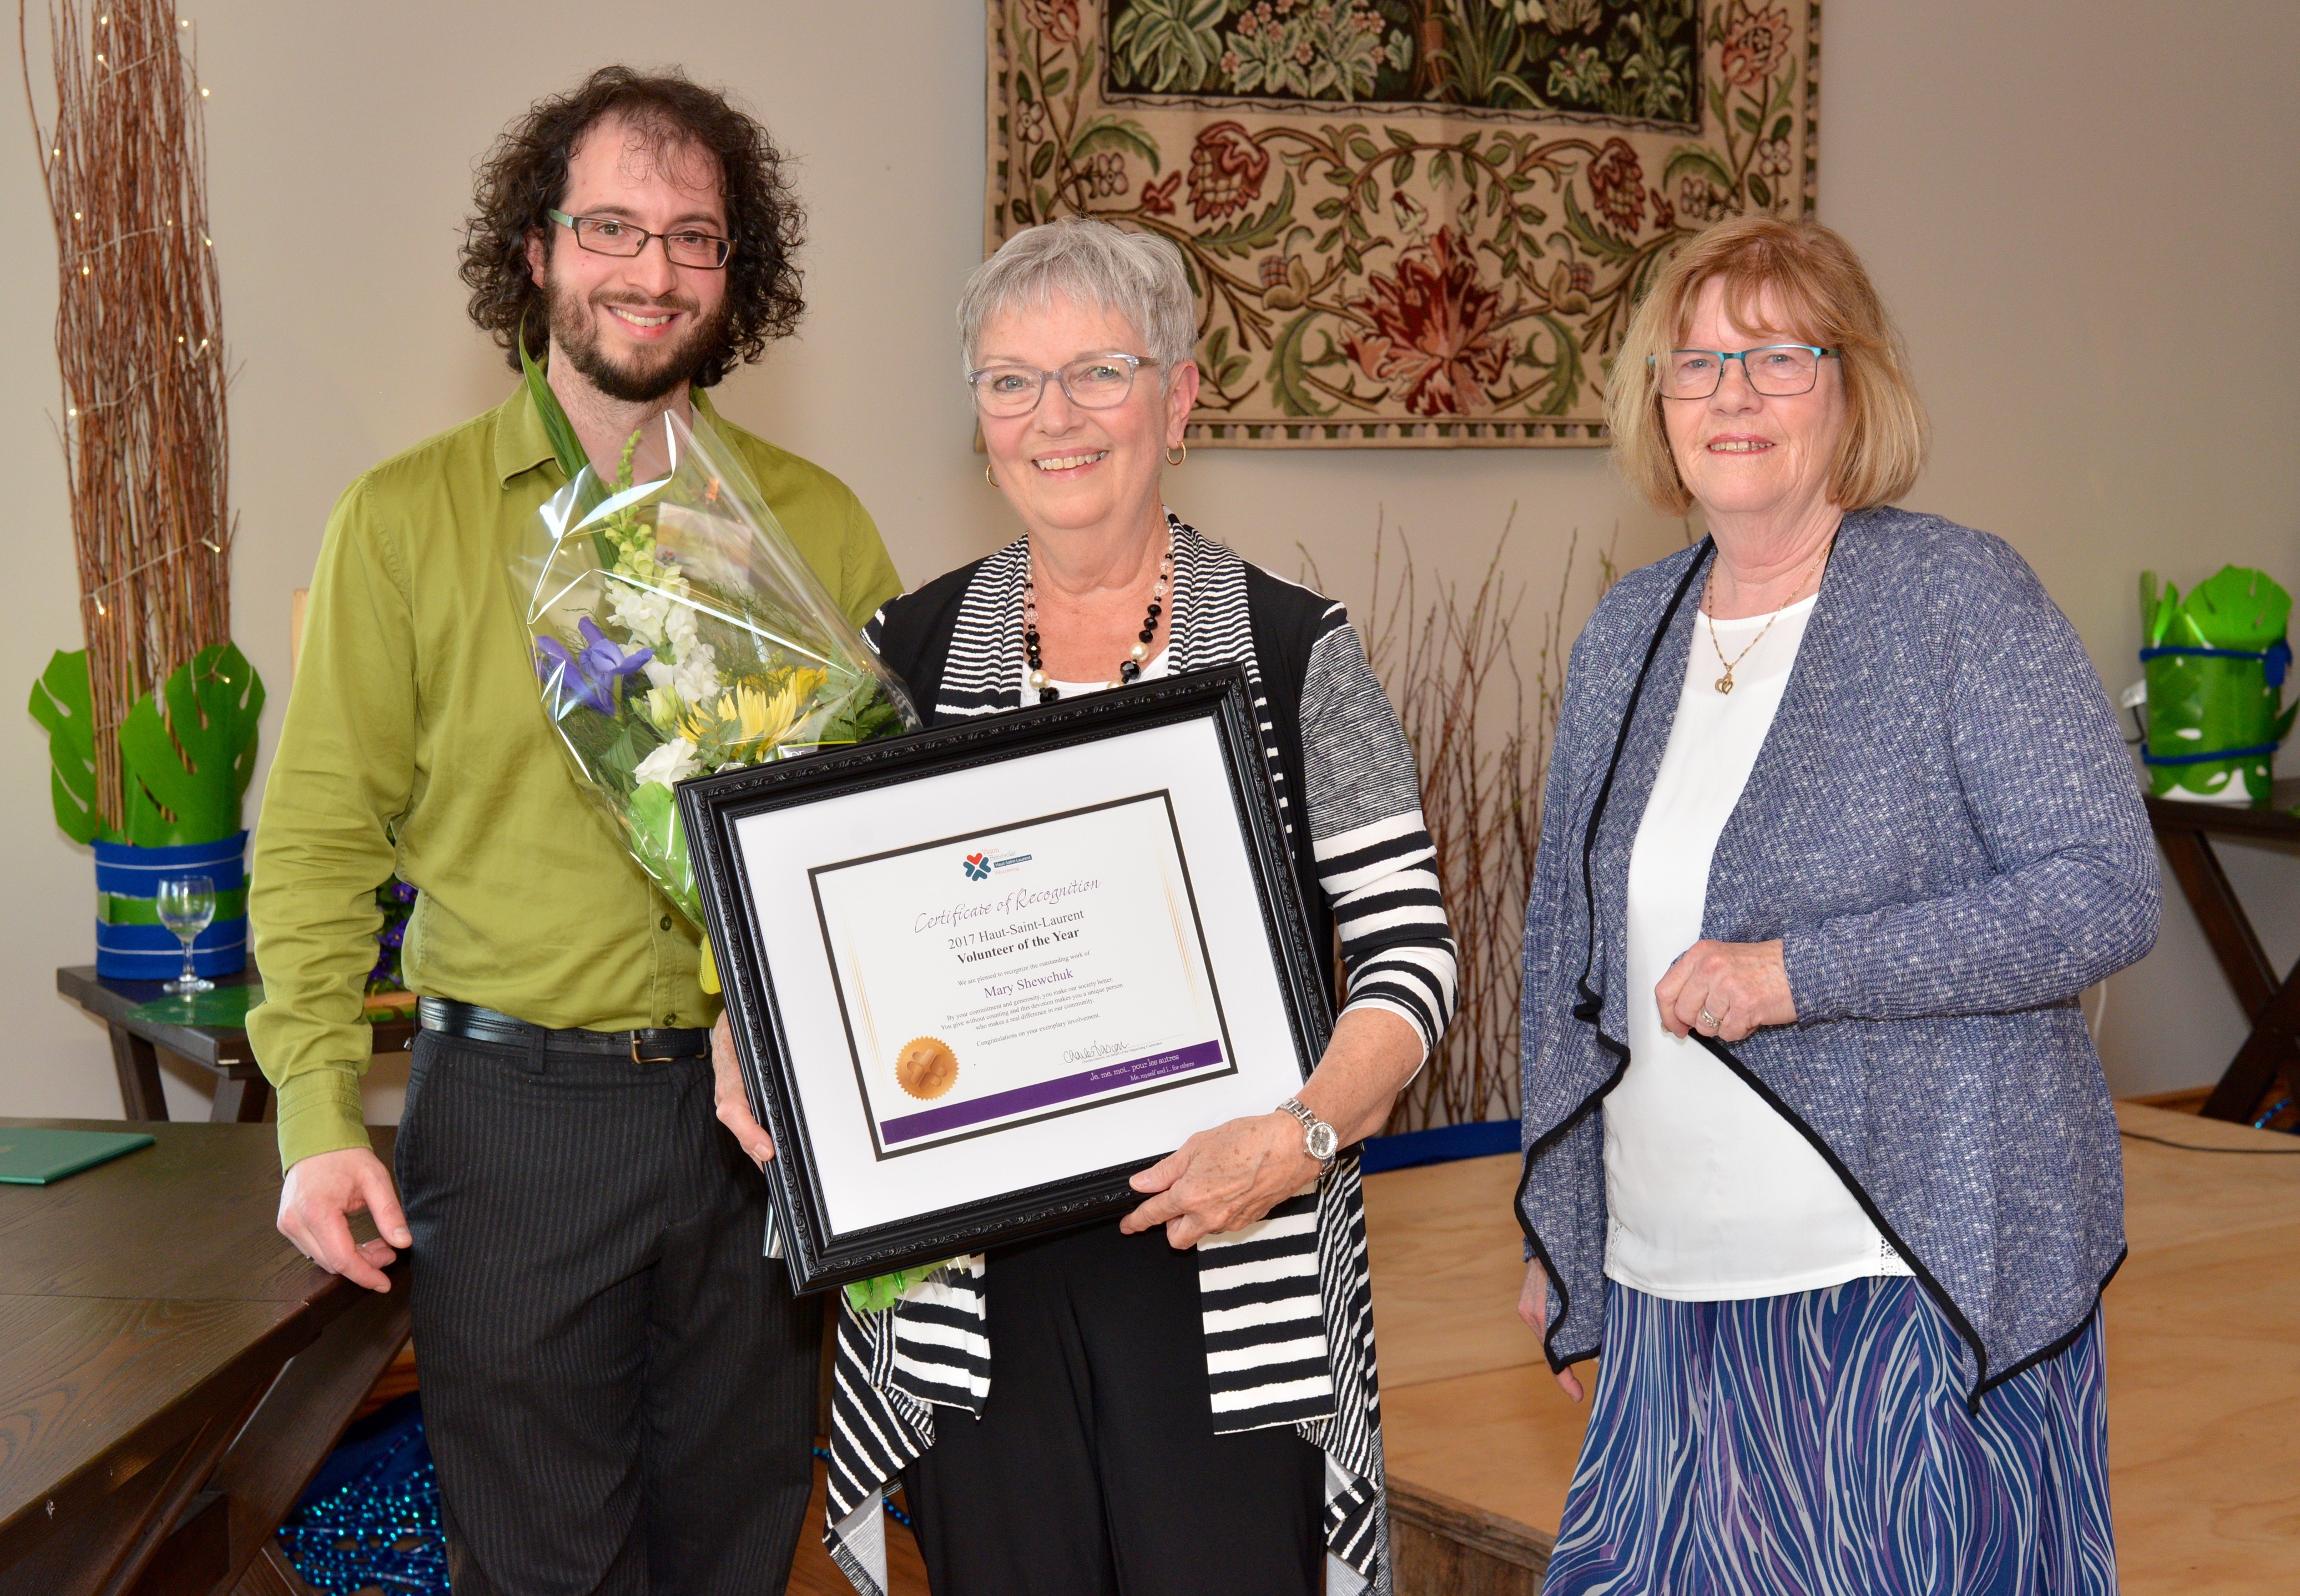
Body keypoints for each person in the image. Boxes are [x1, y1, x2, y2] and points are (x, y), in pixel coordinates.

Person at [708, 215, 1456, 1596]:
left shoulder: (1297, 652)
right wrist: (749, 1020)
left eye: (1097, 374)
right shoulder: (902, 658)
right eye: (1010, 381)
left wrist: (1292, 1137)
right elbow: (815, 936)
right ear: (978, 420)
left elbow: (1409, 963)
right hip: (973, 1292)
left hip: (1232, 1263)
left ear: (1175, 396)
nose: (1053, 418)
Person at [249, 67, 901, 1594]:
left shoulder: (817, 525)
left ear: (736, 274)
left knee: (736, 1559)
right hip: (512, 1120)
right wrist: (315, 1109)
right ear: (536, 252)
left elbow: (867, 844)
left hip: (756, 1134)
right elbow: (320, 838)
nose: (652, 270)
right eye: (611, 225)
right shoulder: (404, 519)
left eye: (693, 235)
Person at [1512, 213, 2158, 1593]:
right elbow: (1564, 953)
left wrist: (1796, 972)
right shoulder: (1631, 626)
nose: (1730, 396)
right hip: (1666, 1282)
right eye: (1696, 365)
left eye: (1776, 357)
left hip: (1900, 1278)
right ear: (1656, 405)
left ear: (1852, 388)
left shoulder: (1954, 598)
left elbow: (2102, 892)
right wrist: (1562, 1229)